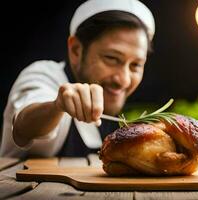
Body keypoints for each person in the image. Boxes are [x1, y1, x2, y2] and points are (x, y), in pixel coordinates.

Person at [0, 0, 155, 158]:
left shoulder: (115, 114)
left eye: (135, 65)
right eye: (112, 58)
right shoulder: (43, 75)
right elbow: (23, 125)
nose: (124, 80)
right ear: (76, 50)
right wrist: (57, 106)